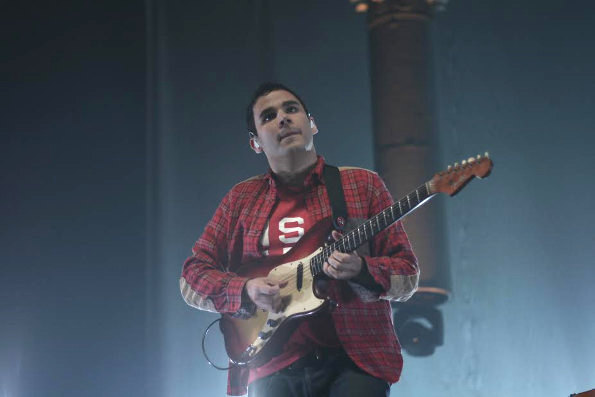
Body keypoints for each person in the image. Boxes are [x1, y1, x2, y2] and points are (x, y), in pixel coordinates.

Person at [180, 83, 419, 397]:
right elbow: (191, 279)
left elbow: (407, 274)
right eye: (268, 116)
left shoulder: (362, 185)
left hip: (355, 362)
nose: (283, 119)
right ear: (254, 144)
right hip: (270, 368)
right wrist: (245, 290)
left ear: (312, 124)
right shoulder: (240, 200)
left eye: (291, 110)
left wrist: (361, 269)